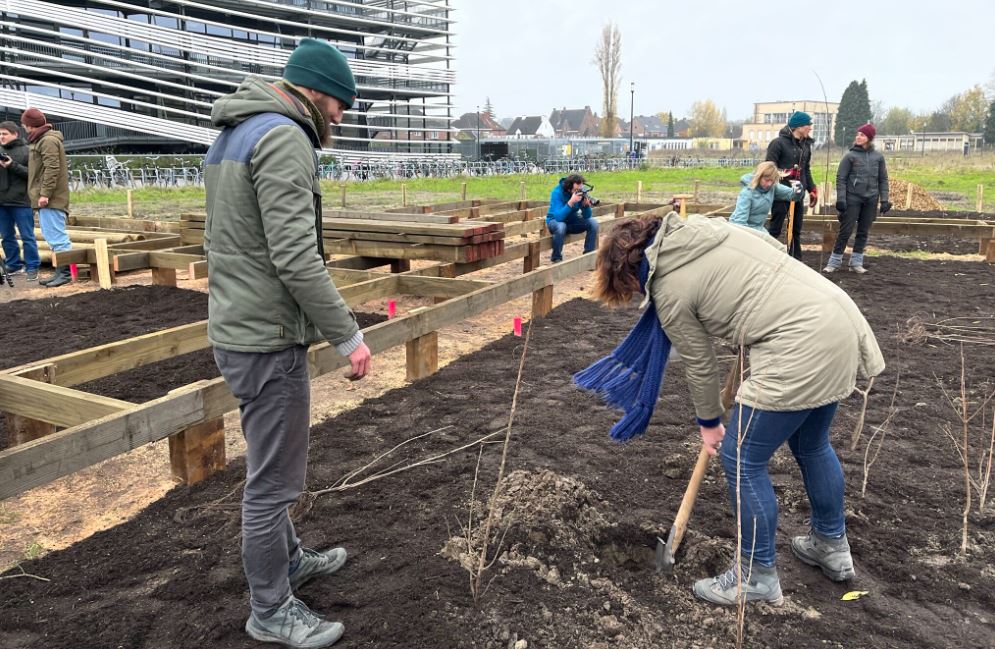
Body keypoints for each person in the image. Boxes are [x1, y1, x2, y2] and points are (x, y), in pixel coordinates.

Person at [589, 212, 885, 606]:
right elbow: (773, 253)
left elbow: (699, 362)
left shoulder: (671, 286)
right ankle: (830, 546)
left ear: (628, 269)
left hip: (797, 343)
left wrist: (709, 423)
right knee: (812, 444)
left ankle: (756, 575)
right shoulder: (710, 232)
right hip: (837, 319)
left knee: (742, 458)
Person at [204, 38, 373, 649]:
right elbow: (296, 258)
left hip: (241, 326)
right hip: (266, 338)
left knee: (270, 467)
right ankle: (271, 609)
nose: (342, 116)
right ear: (316, 90)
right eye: (341, 103)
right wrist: (348, 334)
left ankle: (290, 559)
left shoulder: (236, 132)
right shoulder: (283, 138)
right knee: (273, 482)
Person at [825, 123, 890, 274]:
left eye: (862, 135)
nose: (858, 137)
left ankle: (856, 263)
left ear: (869, 138)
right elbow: (841, 178)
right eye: (858, 134)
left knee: (863, 231)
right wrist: (841, 199)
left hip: (871, 199)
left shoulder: (878, 157)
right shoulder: (850, 156)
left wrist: (884, 199)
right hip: (852, 198)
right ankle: (834, 262)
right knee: (845, 231)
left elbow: (883, 179)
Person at [20, 108, 72, 287]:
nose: (24, 128)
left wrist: (45, 194)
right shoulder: (42, 140)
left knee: (56, 236)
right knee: (51, 236)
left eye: (24, 124)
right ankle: (60, 271)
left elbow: (52, 169)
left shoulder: (47, 140)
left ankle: (64, 273)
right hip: (48, 198)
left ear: (29, 125)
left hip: (52, 199)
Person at [765, 111, 817, 259]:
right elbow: (769, 167)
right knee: (775, 228)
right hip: (781, 193)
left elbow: (806, 169)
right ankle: (767, 257)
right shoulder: (777, 144)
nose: (810, 128)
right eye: (808, 125)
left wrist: (811, 189)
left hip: (798, 194)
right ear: (799, 126)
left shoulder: (805, 146)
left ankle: (795, 259)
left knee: (795, 230)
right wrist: (785, 173)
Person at [0, 121, 40, 281]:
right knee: (7, 237)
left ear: (15, 134)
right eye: (0, 134)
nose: (1, 137)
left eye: (5, 134)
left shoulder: (27, 151)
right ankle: (13, 264)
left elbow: (33, 175)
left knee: (27, 236)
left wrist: (12, 165)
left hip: (21, 202)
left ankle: (32, 266)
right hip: (2, 203)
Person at [728, 161, 802, 235]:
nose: (769, 184)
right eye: (766, 180)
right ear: (759, 177)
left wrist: (798, 189)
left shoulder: (772, 187)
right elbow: (739, 222)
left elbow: (792, 196)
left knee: (774, 245)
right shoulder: (747, 193)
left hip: (758, 228)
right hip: (741, 229)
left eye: (772, 181)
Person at [546, 173, 599, 263]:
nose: (578, 191)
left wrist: (585, 206)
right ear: (569, 187)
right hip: (555, 221)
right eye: (575, 189)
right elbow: (558, 218)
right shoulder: (556, 193)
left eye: (580, 188)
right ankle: (556, 258)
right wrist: (571, 202)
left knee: (593, 223)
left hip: (571, 221)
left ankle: (588, 257)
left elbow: (587, 216)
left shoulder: (580, 191)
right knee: (561, 226)